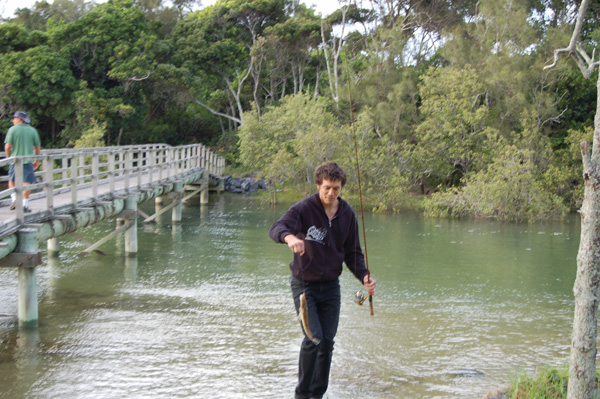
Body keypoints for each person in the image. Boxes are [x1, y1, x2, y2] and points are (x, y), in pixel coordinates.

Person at [269, 161, 376, 399]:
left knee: (327, 342)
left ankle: (318, 394)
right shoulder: (304, 209)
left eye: (336, 188)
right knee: (313, 339)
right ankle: (302, 394)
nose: (331, 193)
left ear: (341, 188)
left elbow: (353, 254)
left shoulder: (347, 215)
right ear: (318, 184)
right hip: (304, 286)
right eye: (327, 187)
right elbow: (277, 227)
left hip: (331, 287)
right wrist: (289, 238)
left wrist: (364, 276)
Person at [4, 111, 41, 212]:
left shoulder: (12, 130)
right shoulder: (32, 130)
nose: (13, 120)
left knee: (11, 180)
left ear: (19, 119)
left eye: (14, 118)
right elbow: (37, 147)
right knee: (26, 182)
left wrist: (8, 158)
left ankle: (15, 199)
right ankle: (24, 205)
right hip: (27, 161)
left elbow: (7, 146)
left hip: (14, 161)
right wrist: (37, 160)